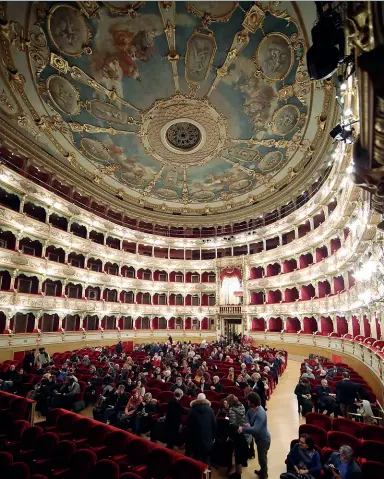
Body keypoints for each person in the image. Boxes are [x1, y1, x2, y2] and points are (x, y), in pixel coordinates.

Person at [239, 393, 270, 479]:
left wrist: (243, 429)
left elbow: (256, 429)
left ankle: (264, 475)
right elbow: (247, 415)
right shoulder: (252, 409)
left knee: (262, 459)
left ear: (252, 402)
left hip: (263, 439)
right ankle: (262, 471)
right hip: (258, 438)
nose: (247, 402)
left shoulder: (260, 413)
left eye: (248, 401)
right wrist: (248, 423)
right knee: (260, 458)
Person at [186, 392, 217, 466]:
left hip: (195, 439)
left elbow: (188, 424)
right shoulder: (210, 410)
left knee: (195, 459)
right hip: (207, 439)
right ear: (205, 399)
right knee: (206, 459)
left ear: (197, 399)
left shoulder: (192, 410)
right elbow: (214, 424)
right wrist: (213, 437)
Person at [227, 394, 252, 478]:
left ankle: (238, 474)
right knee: (244, 449)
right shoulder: (242, 405)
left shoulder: (231, 410)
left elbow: (233, 424)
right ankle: (245, 462)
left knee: (238, 453)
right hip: (245, 430)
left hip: (239, 433)